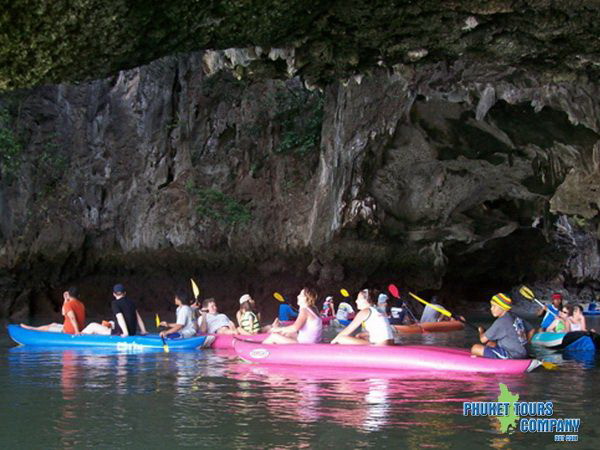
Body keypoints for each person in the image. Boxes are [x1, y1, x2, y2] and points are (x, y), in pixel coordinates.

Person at [471, 293, 534, 359]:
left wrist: (481, 331)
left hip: (513, 355)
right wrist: (524, 344)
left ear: (502, 307)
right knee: (490, 343)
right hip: (523, 353)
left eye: (494, 306)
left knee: (475, 348)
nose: (491, 309)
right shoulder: (515, 316)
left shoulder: (501, 321)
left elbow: (483, 340)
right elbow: (531, 329)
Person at [331, 289, 395, 346]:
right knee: (359, 335)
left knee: (341, 339)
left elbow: (347, 330)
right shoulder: (378, 310)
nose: (356, 301)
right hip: (390, 343)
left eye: (358, 299)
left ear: (365, 300)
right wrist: (363, 334)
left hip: (379, 345)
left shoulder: (365, 312)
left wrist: (332, 342)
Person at [82, 284, 148, 336]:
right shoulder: (131, 302)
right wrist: (143, 330)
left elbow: (120, 318)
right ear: (124, 293)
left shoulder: (115, 303)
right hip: (132, 331)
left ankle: (77, 337)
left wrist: (125, 333)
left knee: (92, 325)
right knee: (111, 322)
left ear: (114, 294)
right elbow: (138, 318)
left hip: (121, 332)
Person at [21, 287, 85, 334]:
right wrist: (65, 299)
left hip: (68, 330)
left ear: (69, 294)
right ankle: (32, 328)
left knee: (46, 328)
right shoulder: (81, 304)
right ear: (78, 295)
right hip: (78, 328)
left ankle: (32, 329)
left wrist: (76, 331)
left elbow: (72, 317)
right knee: (53, 324)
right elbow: (63, 313)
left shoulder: (68, 304)